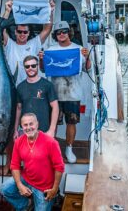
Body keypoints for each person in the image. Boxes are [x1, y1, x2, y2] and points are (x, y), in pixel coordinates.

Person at [1, 55, 59, 175]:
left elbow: (55, 107)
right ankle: (29, 187)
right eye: (27, 66)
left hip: (44, 131)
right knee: (28, 162)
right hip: (26, 131)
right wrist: (16, 129)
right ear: (24, 68)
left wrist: (52, 130)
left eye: (33, 65)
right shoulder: (20, 87)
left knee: (45, 162)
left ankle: (44, 190)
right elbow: (18, 108)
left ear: (38, 66)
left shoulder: (47, 85)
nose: (30, 68)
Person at [43, 21, 91, 163]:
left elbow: (87, 68)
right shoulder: (51, 50)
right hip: (55, 94)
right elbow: (44, 69)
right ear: (55, 35)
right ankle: (52, 150)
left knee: (72, 123)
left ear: (69, 32)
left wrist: (87, 56)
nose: (62, 34)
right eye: (58, 32)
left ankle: (69, 148)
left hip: (73, 93)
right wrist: (41, 59)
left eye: (64, 31)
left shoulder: (79, 49)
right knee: (53, 124)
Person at [0, 113, 64, 211]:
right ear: (21, 127)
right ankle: (25, 205)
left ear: (37, 124)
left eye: (31, 124)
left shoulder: (51, 142)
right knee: (5, 189)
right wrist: (19, 185)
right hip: (27, 179)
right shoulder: (19, 142)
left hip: (45, 186)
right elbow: (14, 165)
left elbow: (59, 167)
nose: (28, 127)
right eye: (25, 125)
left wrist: (54, 189)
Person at [2, 0, 55, 86]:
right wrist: (7, 11)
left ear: (29, 33)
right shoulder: (10, 44)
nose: (22, 34)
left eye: (25, 32)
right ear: (15, 32)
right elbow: (2, 29)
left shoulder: (34, 43)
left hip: (31, 88)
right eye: (19, 31)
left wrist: (50, 11)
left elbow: (47, 29)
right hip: (12, 88)